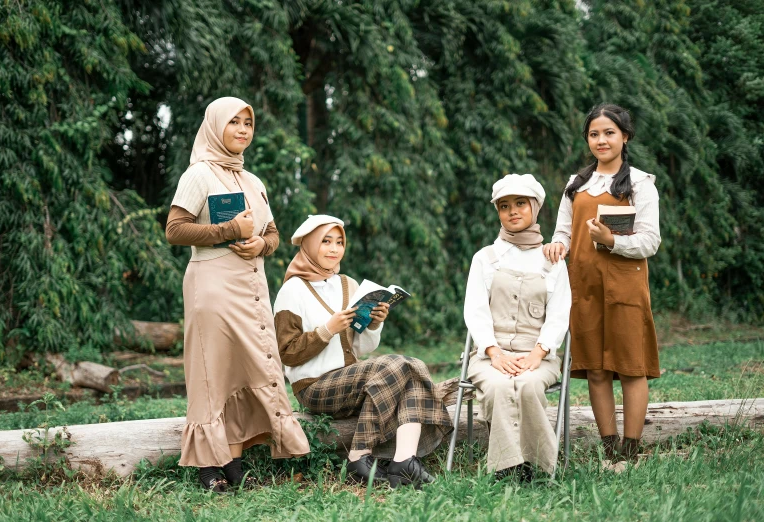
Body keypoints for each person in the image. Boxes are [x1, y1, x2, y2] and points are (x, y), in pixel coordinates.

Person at [165, 97, 309, 493]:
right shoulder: (199, 175)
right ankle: (208, 466)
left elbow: (274, 234)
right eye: (234, 122)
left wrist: (260, 245)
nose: (243, 130)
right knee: (212, 372)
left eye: (248, 123)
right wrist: (226, 232)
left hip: (252, 288)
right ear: (215, 127)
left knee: (248, 368)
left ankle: (234, 455)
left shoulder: (252, 181)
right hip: (212, 286)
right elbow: (175, 230)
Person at [273, 215, 453, 488]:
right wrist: (327, 329)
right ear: (309, 245)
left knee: (410, 368)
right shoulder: (292, 290)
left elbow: (360, 347)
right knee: (401, 365)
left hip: (354, 380)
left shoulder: (348, 284)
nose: (334, 249)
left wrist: (374, 323)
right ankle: (359, 455)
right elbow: (286, 353)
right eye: (326, 242)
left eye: (339, 242)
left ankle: (404, 461)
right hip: (314, 387)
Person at [543, 103, 661, 468]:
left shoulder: (640, 184)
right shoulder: (575, 184)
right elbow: (563, 232)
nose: (601, 140)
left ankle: (631, 450)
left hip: (625, 286)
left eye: (609, 132)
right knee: (595, 368)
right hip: (584, 286)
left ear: (625, 137)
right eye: (594, 134)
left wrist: (611, 240)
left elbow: (650, 242)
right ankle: (611, 451)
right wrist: (556, 245)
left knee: (630, 367)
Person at [464, 174, 571, 480]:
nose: (513, 211)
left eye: (520, 204)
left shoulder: (552, 259)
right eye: (504, 206)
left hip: (538, 354)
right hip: (490, 354)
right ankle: (507, 467)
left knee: (527, 385)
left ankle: (538, 464)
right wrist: (493, 352)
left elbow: (560, 313)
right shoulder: (485, 258)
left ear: (535, 207)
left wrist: (539, 353)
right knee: (497, 386)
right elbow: (475, 311)